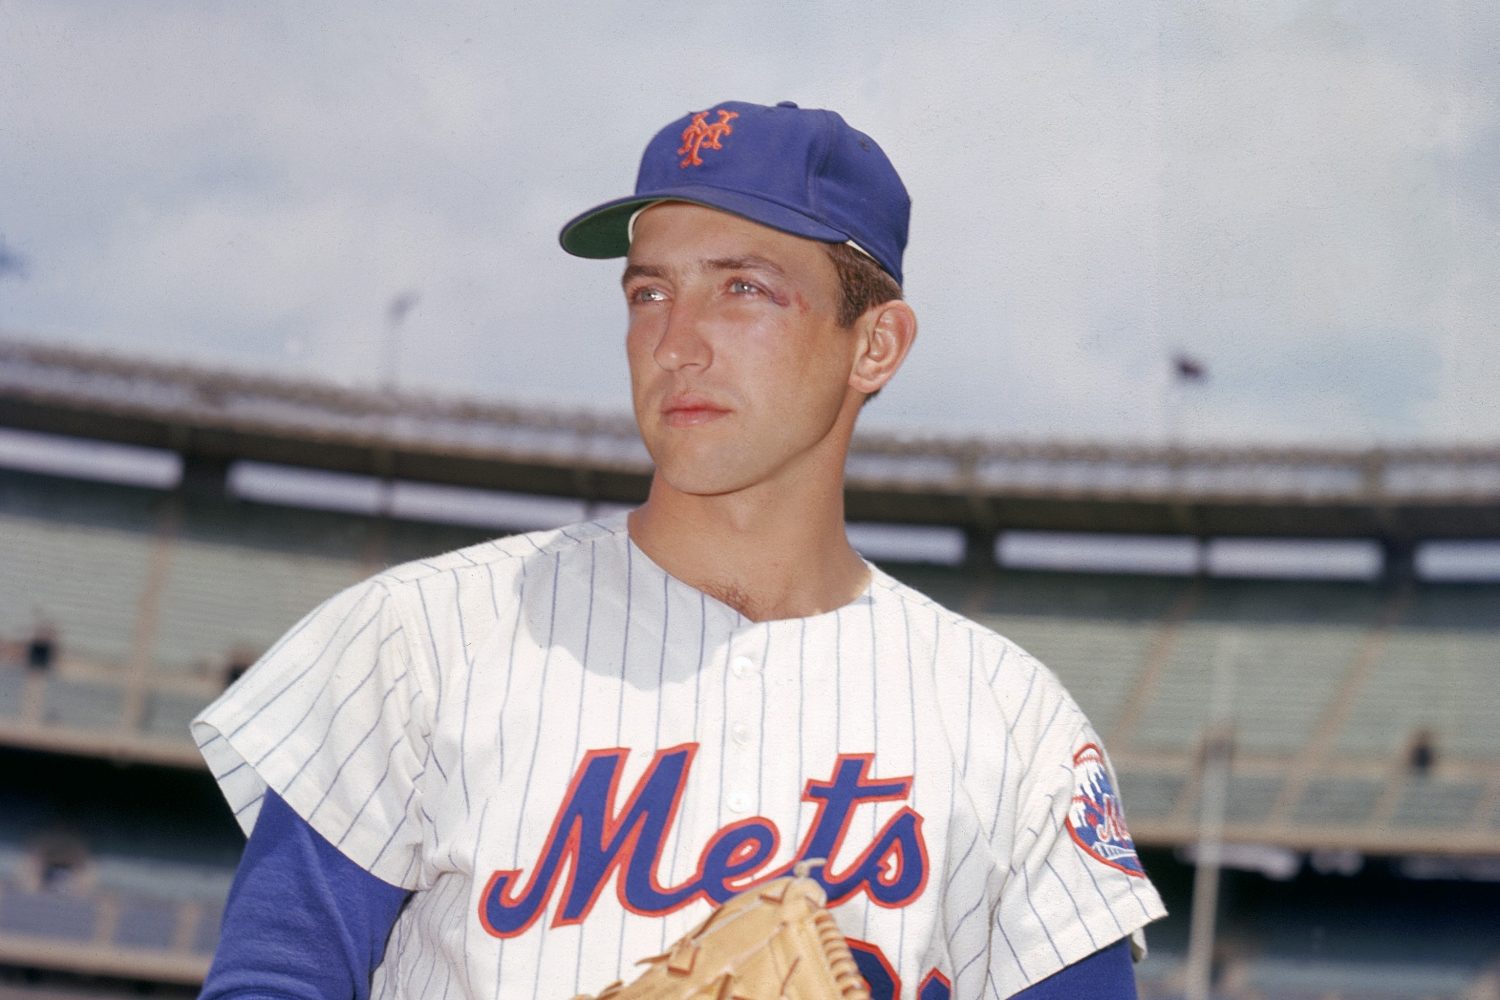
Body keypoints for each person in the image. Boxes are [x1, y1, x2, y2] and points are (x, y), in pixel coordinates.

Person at [194, 99, 1165, 1000]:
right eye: (650, 290)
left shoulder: (1013, 723)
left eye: (744, 288)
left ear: (875, 344)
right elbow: (273, 978)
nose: (676, 342)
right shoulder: (420, 639)